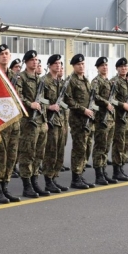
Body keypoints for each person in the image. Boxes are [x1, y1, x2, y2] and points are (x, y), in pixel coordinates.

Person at [0, 43, 22, 203]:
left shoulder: (14, 76)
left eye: (7, 53)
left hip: (13, 121)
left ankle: (5, 187)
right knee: (0, 155)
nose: (4, 55)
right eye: (1, 53)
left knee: (11, 155)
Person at [15, 50, 50, 198]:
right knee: (27, 154)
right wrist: (30, 104)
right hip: (28, 121)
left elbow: (44, 100)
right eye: (32, 60)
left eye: (37, 60)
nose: (35, 62)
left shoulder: (40, 79)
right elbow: (17, 96)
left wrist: (46, 120)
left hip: (41, 121)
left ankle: (35, 181)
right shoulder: (20, 78)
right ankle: (27, 185)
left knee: (39, 154)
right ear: (27, 62)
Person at [64, 53, 96, 189]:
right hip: (78, 120)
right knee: (79, 148)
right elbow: (68, 100)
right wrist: (83, 110)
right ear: (73, 66)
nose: (81, 66)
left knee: (87, 147)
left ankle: (81, 174)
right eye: (78, 64)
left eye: (83, 64)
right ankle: (75, 177)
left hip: (88, 120)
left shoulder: (85, 80)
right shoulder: (70, 80)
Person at [41, 54, 69, 193]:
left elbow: (65, 101)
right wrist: (50, 107)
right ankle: (48, 180)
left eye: (60, 63)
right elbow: (39, 100)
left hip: (60, 121)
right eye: (56, 63)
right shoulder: (44, 81)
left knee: (59, 152)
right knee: (50, 152)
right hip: (50, 121)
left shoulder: (60, 82)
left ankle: (54, 178)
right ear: (50, 65)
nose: (58, 65)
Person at [90, 56, 117, 185]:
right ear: (97, 68)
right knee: (100, 146)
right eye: (102, 66)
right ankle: (98, 174)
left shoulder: (109, 82)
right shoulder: (96, 81)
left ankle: (104, 171)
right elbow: (94, 95)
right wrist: (106, 103)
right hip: (102, 119)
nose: (105, 67)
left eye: (106, 65)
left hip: (111, 118)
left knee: (106, 147)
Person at [110, 58, 128, 181]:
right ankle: (116, 170)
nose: (124, 68)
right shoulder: (114, 82)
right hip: (120, 118)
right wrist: (122, 105)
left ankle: (121, 167)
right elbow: (111, 99)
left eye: (125, 67)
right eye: (121, 67)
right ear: (117, 68)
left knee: (126, 144)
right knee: (118, 144)